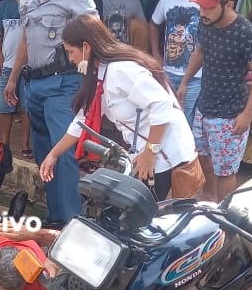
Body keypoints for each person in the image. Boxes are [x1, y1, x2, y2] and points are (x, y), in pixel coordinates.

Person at [40, 14, 199, 201]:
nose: (70, 58)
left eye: (70, 52)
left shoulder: (120, 70)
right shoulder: (101, 74)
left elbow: (162, 105)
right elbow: (82, 121)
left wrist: (150, 153)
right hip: (147, 154)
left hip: (166, 156)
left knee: (144, 219)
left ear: (86, 47)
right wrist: (53, 155)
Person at [5, 0, 98, 226]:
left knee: (63, 151)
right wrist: (13, 79)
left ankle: (72, 222)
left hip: (64, 82)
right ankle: (55, 215)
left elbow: (95, 37)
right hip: (33, 83)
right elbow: (25, 38)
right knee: (44, 151)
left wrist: (92, 77)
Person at [177, 0, 252, 201]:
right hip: (204, 107)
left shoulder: (246, 33)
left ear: (228, 4)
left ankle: (224, 217)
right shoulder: (205, 22)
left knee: (226, 172)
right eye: (201, 5)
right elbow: (200, 50)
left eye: (208, 7)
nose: (203, 12)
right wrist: (185, 82)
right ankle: (209, 200)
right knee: (203, 158)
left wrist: (247, 114)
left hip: (230, 116)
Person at [150, 0, 205, 126]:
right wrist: (155, 53)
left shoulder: (209, 4)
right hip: (168, 70)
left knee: (185, 116)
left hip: (197, 75)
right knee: (164, 112)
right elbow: (153, 24)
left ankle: (182, 150)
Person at [0, 0, 32, 160]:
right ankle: (4, 144)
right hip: (7, 65)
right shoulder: (6, 6)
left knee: (27, 107)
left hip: (30, 68)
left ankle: (25, 144)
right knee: (4, 107)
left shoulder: (37, 5)